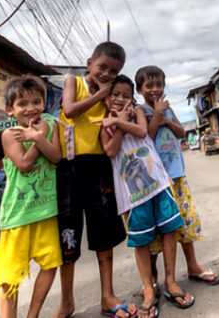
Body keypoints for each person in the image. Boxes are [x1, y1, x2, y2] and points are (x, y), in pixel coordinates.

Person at [54, 42, 136, 318]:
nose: (106, 74)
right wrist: (100, 94)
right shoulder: (73, 82)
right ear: (90, 63)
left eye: (113, 71)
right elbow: (69, 110)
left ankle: (107, 296)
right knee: (68, 234)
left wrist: (117, 109)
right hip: (69, 167)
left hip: (99, 166)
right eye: (102, 67)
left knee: (104, 233)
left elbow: (116, 119)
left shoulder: (109, 96)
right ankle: (67, 301)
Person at [135, 65, 219, 310]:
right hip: (157, 180)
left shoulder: (167, 107)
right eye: (149, 85)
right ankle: (153, 277)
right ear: (139, 89)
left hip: (176, 175)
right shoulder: (140, 110)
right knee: (160, 229)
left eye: (159, 85)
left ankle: (192, 265)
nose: (155, 89)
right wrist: (157, 116)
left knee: (185, 221)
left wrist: (165, 117)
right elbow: (146, 137)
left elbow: (181, 132)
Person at [98, 75, 185, 318]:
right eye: (115, 95)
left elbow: (142, 130)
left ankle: (171, 280)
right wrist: (117, 124)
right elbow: (111, 150)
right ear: (106, 98)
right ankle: (148, 289)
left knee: (169, 230)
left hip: (158, 183)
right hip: (132, 196)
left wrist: (120, 121)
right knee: (141, 241)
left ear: (132, 97)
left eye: (126, 95)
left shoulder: (136, 112)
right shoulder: (104, 124)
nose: (120, 99)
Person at [0, 76, 62, 318]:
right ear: (10, 109)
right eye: (22, 103)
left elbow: (56, 156)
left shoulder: (51, 126)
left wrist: (39, 136)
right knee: (9, 276)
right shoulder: (10, 134)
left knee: (51, 264)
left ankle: (32, 315)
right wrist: (37, 139)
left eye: (36, 101)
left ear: (44, 103)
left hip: (46, 210)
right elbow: (23, 164)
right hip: (18, 215)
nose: (31, 108)